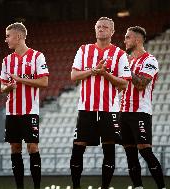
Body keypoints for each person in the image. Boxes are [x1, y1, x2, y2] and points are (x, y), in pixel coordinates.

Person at [70, 17, 131, 189]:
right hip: (86, 108)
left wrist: (105, 74)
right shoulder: (84, 50)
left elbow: (124, 83)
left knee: (109, 148)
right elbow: (74, 76)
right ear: (95, 29)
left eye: (105, 27)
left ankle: (105, 187)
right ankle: (76, 186)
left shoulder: (119, 54)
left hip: (109, 109)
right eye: (98, 27)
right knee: (78, 147)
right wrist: (93, 71)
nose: (101, 29)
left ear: (112, 32)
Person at [0, 22, 49, 189]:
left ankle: (36, 186)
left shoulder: (37, 56)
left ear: (18, 36)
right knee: (14, 148)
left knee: (32, 146)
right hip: (11, 111)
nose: (6, 39)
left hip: (30, 110)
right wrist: (8, 87)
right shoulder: (7, 60)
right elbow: (2, 87)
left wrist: (21, 80)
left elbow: (44, 81)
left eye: (8, 36)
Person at [119, 26, 166, 189]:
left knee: (145, 151)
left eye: (128, 37)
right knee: (130, 154)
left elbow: (141, 85)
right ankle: (138, 186)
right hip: (123, 112)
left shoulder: (150, 60)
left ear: (137, 40)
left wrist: (126, 71)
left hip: (140, 112)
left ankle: (162, 186)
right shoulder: (128, 61)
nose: (125, 40)